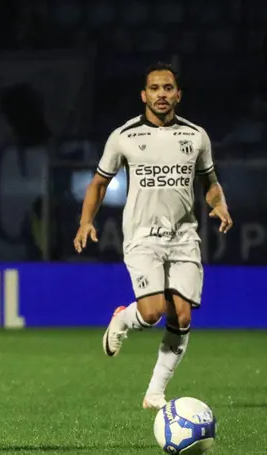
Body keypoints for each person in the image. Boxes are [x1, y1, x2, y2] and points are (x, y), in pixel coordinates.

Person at [73, 62, 233, 410]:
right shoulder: (124, 136)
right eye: (155, 88)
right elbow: (99, 183)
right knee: (152, 312)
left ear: (178, 94)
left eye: (168, 88)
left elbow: (210, 182)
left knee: (183, 316)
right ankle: (123, 319)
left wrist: (218, 204)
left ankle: (155, 394)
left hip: (184, 236)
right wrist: (87, 221)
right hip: (143, 237)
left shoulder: (196, 136)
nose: (162, 94)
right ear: (144, 95)